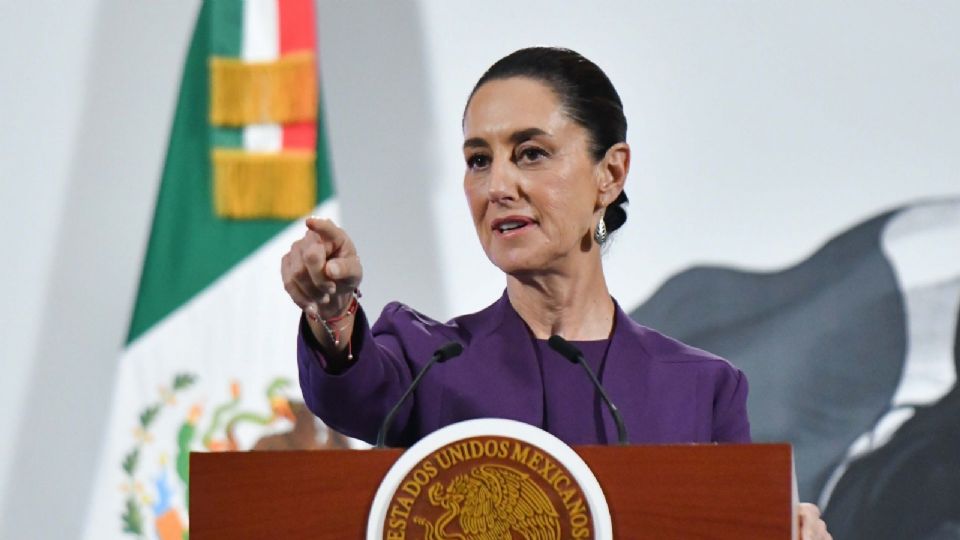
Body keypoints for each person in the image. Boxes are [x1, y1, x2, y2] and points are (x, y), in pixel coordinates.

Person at [281, 47, 830, 539]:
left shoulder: (700, 390)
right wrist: (332, 311)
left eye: (531, 153)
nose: (498, 187)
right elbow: (353, 392)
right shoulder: (429, 362)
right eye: (478, 160)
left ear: (610, 173)